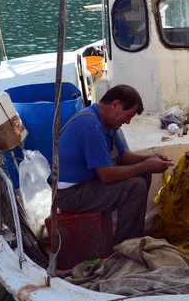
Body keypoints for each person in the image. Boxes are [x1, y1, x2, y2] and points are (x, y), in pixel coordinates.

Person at [57, 85, 174, 245]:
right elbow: (107, 176)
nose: (127, 121)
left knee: (142, 175)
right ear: (115, 105)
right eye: (128, 116)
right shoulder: (91, 126)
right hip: (69, 195)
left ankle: (133, 234)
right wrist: (146, 165)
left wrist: (150, 159)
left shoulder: (105, 123)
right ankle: (126, 246)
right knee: (135, 186)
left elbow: (123, 157)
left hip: (86, 184)